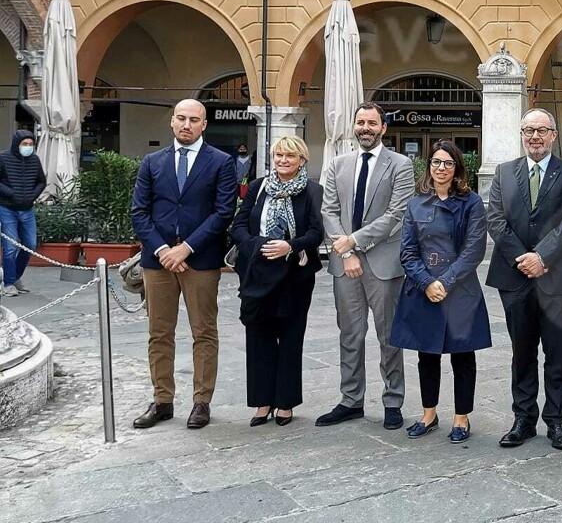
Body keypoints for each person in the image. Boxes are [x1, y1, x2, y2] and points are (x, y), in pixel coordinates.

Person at [130, 100, 239, 430]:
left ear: (204, 124)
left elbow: (223, 212)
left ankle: (201, 401)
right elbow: (139, 212)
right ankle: (162, 400)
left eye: (194, 119)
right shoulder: (153, 162)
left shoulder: (221, 162)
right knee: (159, 333)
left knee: (203, 332)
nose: (186, 124)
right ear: (172, 122)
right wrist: (164, 249)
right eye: (181, 118)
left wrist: (186, 249)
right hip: (158, 260)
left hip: (200, 260)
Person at [485, 109, 562, 450]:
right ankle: (523, 419)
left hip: (557, 278)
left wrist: (542, 257)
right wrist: (524, 258)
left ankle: (556, 422)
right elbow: (495, 220)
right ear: (521, 135)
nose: (535, 136)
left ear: (553, 135)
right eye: (528, 130)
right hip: (514, 277)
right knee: (522, 352)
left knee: (558, 353)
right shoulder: (503, 172)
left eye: (542, 130)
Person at [318, 102, 416, 430]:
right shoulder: (338, 164)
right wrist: (346, 253)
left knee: (389, 337)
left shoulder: (400, 165)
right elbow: (329, 211)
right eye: (360, 122)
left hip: (383, 264)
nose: (365, 128)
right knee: (350, 334)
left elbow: (397, 214)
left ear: (383, 128)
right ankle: (350, 400)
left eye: (372, 123)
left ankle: (393, 401)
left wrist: (354, 242)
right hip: (345, 264)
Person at [391, 141, 490, 443]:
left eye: (448, 163)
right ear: (428, 166)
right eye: (436, 162)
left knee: (462, 356)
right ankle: (428, 414)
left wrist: (444, 282)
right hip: (423, 289)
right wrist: (427, 283)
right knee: (427, 355)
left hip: (460, 290)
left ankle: (461, 418)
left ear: (457, 168)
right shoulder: (416, 204)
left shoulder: (472, 202)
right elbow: (407, 252)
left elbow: (474, 251)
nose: (441, 168)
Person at [229, 136, 323, 427]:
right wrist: (256, 247)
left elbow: (316, 233)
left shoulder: (312, 191)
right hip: (257, 273)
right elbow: (238, 226)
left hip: (294, 275)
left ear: (302, 161)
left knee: (291, 337)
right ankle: (262, 401)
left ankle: (285, 402)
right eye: (279, 155)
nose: (283, 160)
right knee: (258, 336)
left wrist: (289, 246)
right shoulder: (258, 187)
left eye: (290, 156)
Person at [0, 130, 46, 296]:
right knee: (10, 247)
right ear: (17, 144)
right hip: (7, 208)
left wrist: (32, 195)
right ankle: (8, 284)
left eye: (31, 144)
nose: (28, 147)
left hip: (27, 209)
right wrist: (11, 193)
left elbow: (41, 181)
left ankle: (13, 276)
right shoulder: (3, 158)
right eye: (24, 144)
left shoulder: (34, 160)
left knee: (30, 245)